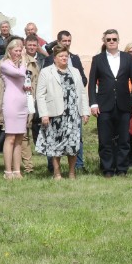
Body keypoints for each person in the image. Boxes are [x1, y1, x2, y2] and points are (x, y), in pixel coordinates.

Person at [88, 29, 132, 177]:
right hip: (104, 105)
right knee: (105, 139)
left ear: (118, 40)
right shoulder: (98, 59)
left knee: (124, 140)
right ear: (104, 42)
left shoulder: (127, 58)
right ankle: (107, 169)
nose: (111, 42)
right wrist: (93, 103)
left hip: (124, 104)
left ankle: (122, 168)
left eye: (114, 39)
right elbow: (92, 83)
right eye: (108, 39)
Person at [35, 45, 90, 179]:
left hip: (73, 114)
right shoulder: (47, 72)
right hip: (55, 114)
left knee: (73, 144)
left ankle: (72, 172)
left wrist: (85, 111)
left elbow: (82, 92)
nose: (64, 58)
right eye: (61, 56)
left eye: (66, 56)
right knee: (55, 144)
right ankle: (57, 172)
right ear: (55, 58)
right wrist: (44, 114)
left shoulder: (75, 71)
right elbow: (40, 95)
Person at [0, 38, 30, 179]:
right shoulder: (5, 64)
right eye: (16, 50)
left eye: (20, 50)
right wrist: (24, 62)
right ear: (9, 51)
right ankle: (8, 171)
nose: (19, 53)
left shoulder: (21, 64)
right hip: (11, 103)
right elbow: (21, 73)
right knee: (10, 137)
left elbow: (24, 78)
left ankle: (17, 170)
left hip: (22, 102)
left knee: (20, 138)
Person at [21, 34, 43, 172]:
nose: (32, 47)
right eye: (29, 45)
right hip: (26, 98)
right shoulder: (21, 60)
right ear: (25, 45)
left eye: (34, 45)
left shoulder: (43, 59)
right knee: (23, 132)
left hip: (39, 99)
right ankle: (28, 166)